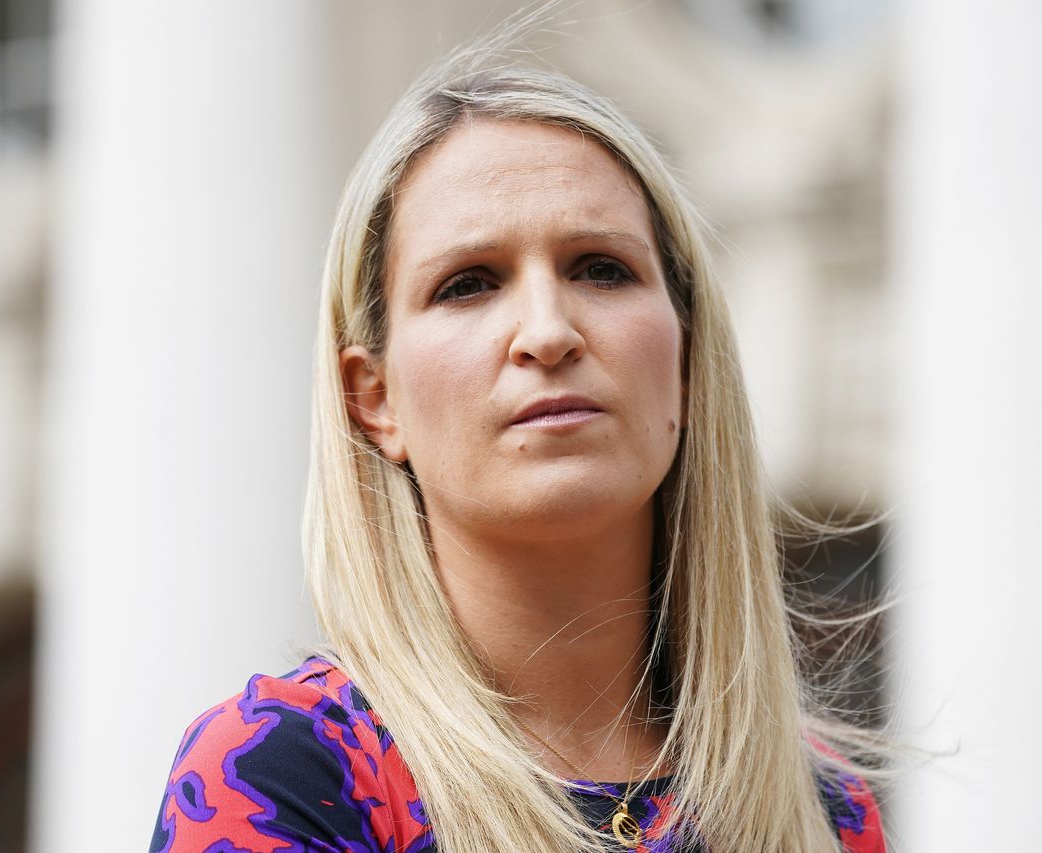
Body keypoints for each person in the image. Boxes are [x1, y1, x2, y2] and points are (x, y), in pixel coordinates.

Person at [148, 40, 887, 853]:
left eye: (601, 269)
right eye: (468, 283)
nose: (548, 330)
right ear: (375, 397)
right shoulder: (284, 771)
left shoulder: (824, 808)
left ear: (685, 360)